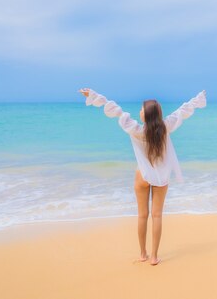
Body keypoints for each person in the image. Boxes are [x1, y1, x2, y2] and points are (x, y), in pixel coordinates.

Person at [79, 88, 207, 266]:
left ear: (146, 114)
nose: (139, 111)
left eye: (141, 109)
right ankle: (154, 257)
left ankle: (142, 254)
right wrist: (198, 98)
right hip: (161, 177)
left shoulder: (136, 130)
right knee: (157, 216)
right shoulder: (166, 127)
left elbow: (115, 110)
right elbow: (183, 111)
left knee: (142, 216)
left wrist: (93, 96)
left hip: (142, 176)